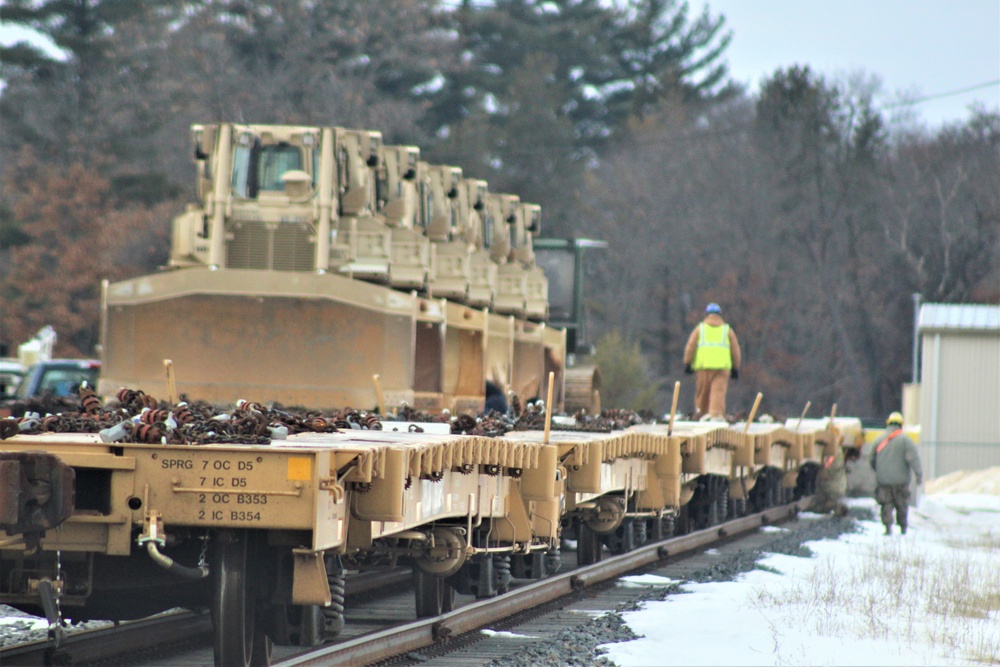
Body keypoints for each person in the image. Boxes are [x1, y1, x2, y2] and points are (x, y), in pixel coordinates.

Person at [683, 303, 742, 420]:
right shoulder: (727, 330)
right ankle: (716, 416)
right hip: (721, 368)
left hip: (703, 367)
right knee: (718, 393)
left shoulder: (700, 329)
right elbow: (735, 350)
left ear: (706, 315)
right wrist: (735, 367)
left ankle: (701, 415)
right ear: (720, 315)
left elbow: (690, 347)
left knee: (702, 395)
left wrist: (687, 363)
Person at [870, 411, 923, 535]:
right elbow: (914, 459)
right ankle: (903, 528)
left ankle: (888, 528)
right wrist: (918, 475)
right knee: (902, 505)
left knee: (886, 504)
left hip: (883, 481)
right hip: (901, 481)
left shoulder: (878, 439)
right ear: (901, 425)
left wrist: (879, 471)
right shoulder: (906, 441)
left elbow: (872, 459)